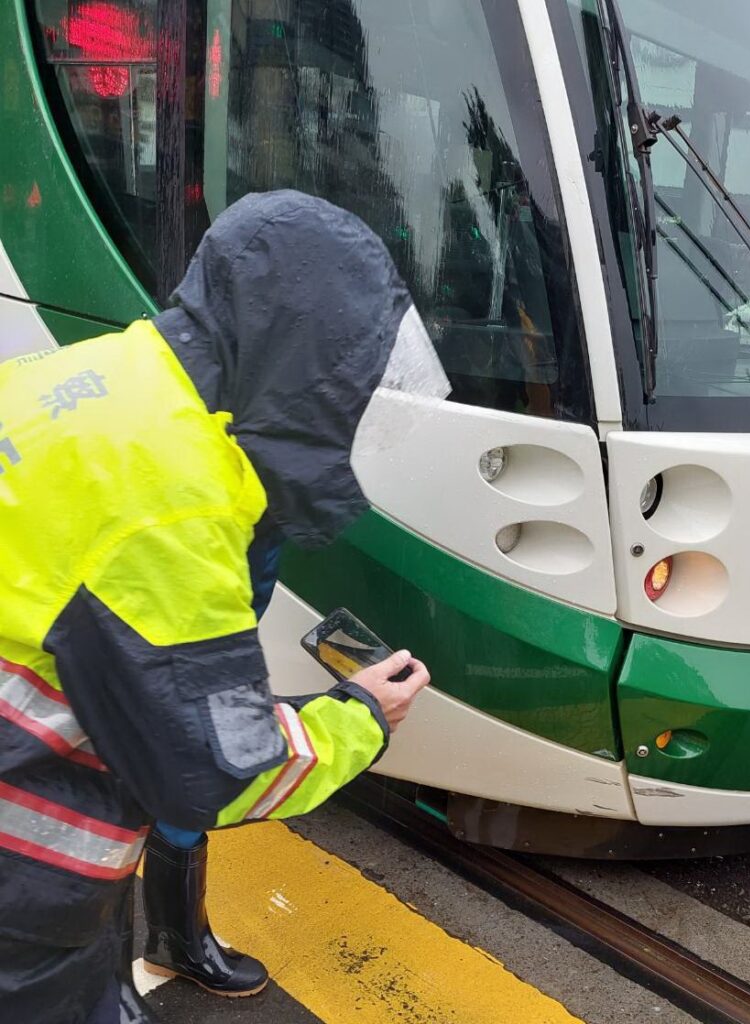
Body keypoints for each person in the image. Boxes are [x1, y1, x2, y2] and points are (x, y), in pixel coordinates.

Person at [0, 191, 446, 1024]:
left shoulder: (95, 376)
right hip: (24, 876)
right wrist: (361, 716)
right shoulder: (170, 494)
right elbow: (214, 768)